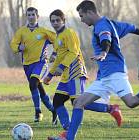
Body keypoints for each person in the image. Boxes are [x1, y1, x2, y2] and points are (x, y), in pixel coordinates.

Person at [48, 1, 139, 140]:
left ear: (90, 12)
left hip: (115, 73)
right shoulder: (112, 23)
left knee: (132, 102)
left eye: (82, 16)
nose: (82, 20)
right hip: (104, 77)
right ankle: (69, 137)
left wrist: (104, 52)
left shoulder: (101, 26)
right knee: (79, 103)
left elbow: (106, 39)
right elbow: (131, 27)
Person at [44, 9, 123, 139]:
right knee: (57, 101)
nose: (55, 23)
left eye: (58, 20)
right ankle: (68, 130)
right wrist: (50, 75)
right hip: (65, 76)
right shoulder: (57, 37)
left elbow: (74, 52)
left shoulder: (69, 33)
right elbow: (58, 57)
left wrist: (62, 66)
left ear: (63, 21)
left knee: (78, 102)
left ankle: (110, 109)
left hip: (75, 72)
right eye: (53, 21)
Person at [10, 7, 57, 124]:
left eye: (33, 15)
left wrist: (55, 54)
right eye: (29, 15)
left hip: (41, 63)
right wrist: (18, 48)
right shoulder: (21, 31)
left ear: (37, 16)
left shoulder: (43, 31)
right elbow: (13, 44)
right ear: (26, 16)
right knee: (38, 88)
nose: (31, 17)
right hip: (27, 65)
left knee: (32, 83)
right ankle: (53, 110)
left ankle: (38, 111)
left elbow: (58, 39)